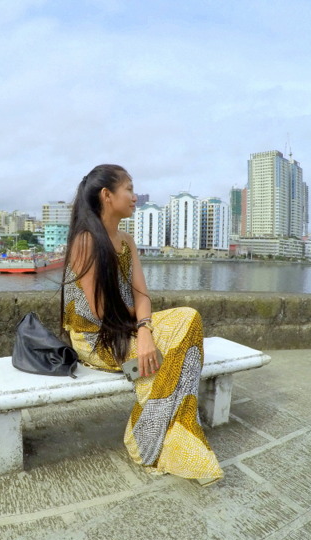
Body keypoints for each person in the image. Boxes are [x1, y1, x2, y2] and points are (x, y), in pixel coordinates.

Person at [61, 164, 223, 485]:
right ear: (107, 195)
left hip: (127, 327)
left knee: (189, 318)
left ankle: (170, 428)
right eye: (129, 189)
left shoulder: (126, 240)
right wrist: (141, 329)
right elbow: (101, 311)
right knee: (168, 354)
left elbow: (141, 295)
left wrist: (145, 329)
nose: (135, 197)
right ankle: (147, 440)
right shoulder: (85, 242)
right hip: (96, 338)